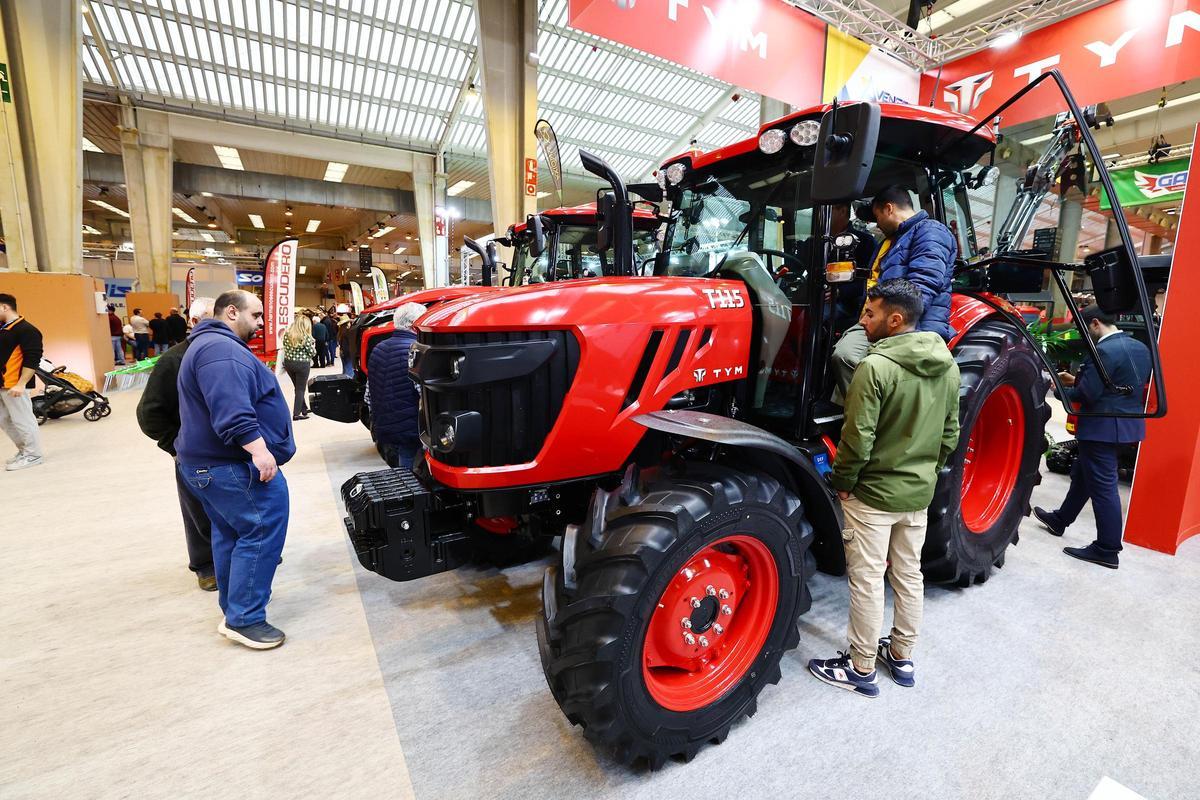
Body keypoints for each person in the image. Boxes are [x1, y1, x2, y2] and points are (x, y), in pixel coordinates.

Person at [808, 280, 960, 698]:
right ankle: (902, 656)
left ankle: (860, 667)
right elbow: (951, 432)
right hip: (917, 494)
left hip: (873, 495)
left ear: (895, 320)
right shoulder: (946, 363)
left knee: (869, 581)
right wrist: (927, 473)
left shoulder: (875, 368)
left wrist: (843, 483)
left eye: (869, 314)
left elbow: (858, 439)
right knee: (910, 576)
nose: (862, 320)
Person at [176, 289, 295, 649]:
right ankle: (245, 618)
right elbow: (231, 410)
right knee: (261, 528)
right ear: (231, 311)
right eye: (256, 316)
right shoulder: (220, 350)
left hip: (210, 466)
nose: (260, 324)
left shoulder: (209, 345)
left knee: (231, 534)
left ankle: (236, 607)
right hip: (230, 465)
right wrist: (259, 451)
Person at [1034, 304, 1152, 569]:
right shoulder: (1140, 348)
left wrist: (1058, 386)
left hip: (1101, 428)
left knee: (1104, 487)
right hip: (1128, 427)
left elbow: (1087, 395)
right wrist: (1078, 379)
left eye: (1084, 328)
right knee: (1083, 474)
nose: (1084, 333)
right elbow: (1116, 386)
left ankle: (1107, 549)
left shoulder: (1103, 351)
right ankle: (1060, 519)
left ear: (1095, 323)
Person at [831, 186, 957, 401]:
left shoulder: (930, 231)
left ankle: (879, 420)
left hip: (905, 322)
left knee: (847, 356)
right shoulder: (892, 240)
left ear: (888, 209)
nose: (876, 223)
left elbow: (924, 284)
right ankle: (857, 416)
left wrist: (894, 325)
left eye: (877, 216)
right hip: (879, 317)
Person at [136, 297, 218, 591]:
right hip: (193, 453)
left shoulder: (228, 352)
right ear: (193, 323)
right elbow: (149, 413)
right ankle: (206, 565)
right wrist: (176, 445)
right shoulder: (173, 360)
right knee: (198, 510)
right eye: (209, 320)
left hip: (230, 452)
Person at [367, 302, 425, 468]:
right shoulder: (415, 351)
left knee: (400, 467)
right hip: (410, 428)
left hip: (385, 424)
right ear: (415, 325)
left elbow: (368, 394)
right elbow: (424, 394)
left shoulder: (378, 348)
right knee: (411, 470)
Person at [0, 294, 45, 471]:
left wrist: (21, 383)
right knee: (4, 420)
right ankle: (24, 450)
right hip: (2, 384)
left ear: (5, 307)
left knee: (23, 420)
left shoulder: (27, 330)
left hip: (15, 384)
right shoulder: (4, 329)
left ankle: (34, 455)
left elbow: (32, 359)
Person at [280, 315, 316, 421]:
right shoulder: (306, 337)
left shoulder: (287, 334)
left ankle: (303, 408)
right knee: (300, 389)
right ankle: (296, 413)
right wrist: (314, 348)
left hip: (289, 363)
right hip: (302, 365)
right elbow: (312, 353)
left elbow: (285, 347)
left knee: (297, 387)